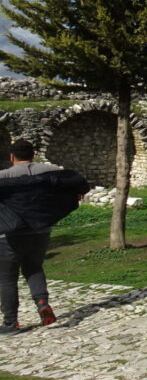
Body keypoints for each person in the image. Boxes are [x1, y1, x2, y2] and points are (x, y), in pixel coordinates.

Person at [0, 139, 88, 335]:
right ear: (34, 154)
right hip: (41, 231)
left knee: (7, 278)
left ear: (12, 157)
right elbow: (77, 184)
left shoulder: (4, 176)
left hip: (10, 235)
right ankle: (42, 304)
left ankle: (10, 323)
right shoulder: (53, 172)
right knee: (34, 268)